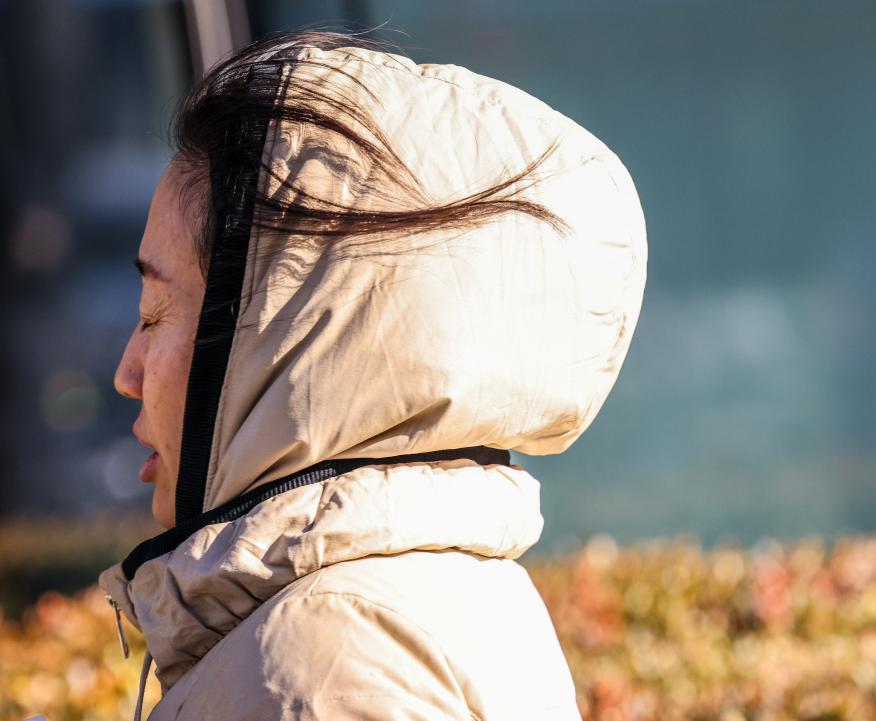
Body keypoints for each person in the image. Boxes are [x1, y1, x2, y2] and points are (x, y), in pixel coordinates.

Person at [99, 30, 646, 721]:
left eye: (153, 315)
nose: (126, 374)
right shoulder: (397, 606)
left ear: (284, 338)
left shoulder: (318, 661)